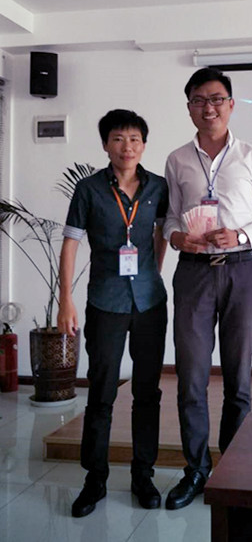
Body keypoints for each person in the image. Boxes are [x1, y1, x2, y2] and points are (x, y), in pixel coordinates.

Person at [163, 68, 252, 510]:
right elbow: (171, 217)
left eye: (216, 99)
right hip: (193, 274)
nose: (208, 107)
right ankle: (196, 470)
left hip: (242, 271)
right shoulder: (177, 159)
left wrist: (243, 234)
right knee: (191, 378)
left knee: (238, 378)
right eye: (199, 100)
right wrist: (178, 238)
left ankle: (232, 472)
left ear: (231, 105)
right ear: (189, 108)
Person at [57, 109, 169, 518]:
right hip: (105, 302)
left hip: (150, 303)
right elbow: (70, 243)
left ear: (144, 145)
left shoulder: (158, 186)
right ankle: (95, 478)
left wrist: (153, 272)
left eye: (135, 139)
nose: (128, 147)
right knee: (102, 391)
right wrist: (65, 300)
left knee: (147, 392)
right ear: (106, 144)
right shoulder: (88, 189)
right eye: (119, 139)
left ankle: (143, 474)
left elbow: (161, 233)